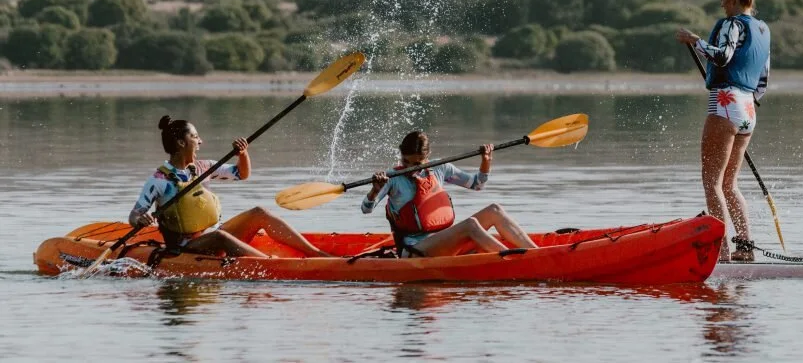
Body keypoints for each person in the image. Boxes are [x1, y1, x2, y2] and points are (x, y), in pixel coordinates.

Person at [129, 115, 329, 258]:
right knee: (219, 236)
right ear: (181, 143)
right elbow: (134, 216)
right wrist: (142, 218)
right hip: (187, 246)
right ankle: (270, 264)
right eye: (195, 137)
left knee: (259, 212)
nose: (200, 141)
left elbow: (241, 174)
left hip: (216, 233)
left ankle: (316, 253)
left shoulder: (203, 167)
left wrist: (243, 154)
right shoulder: (159, 180)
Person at [676, 0, 770, 263]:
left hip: (725, 104)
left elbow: (722, 56)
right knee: (729, 184)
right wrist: (744, 103)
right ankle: (745, 248)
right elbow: (763, 79)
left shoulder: (732, 24)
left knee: (712, 184)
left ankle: (722, 251)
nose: (721, 3)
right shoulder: (763, 30)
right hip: (748, 110)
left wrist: (696, 41)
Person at [363, 130, 538, 257]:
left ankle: (537, 254)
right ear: (401, 155)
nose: (410, 168)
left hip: (444, 240)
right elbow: (366, 209)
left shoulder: (441, 168)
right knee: (470, 224)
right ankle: (511, 259)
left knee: (495, 210)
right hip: (415, 249)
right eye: (406, 161)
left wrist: (486, 161)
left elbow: (477, 184)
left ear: (427, 157)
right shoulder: (392, 178)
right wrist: (375, 190)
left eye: (417, 164)